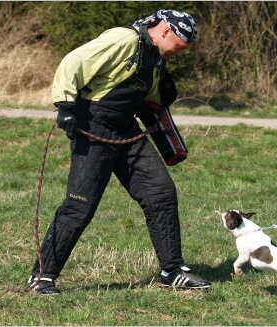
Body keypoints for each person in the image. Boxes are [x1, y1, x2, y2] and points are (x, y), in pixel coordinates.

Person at [27, 9, 211, 294]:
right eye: (180, 46)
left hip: (126, 130)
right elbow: (73, 62)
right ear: (165, 31)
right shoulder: (124, 40)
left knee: (160, 192)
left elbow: (150, 100)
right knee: (79, 206)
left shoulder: (156, 60)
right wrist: (64, 105)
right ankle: (42, 277)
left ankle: (172, 270)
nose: (181, 53)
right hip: (93, 127)